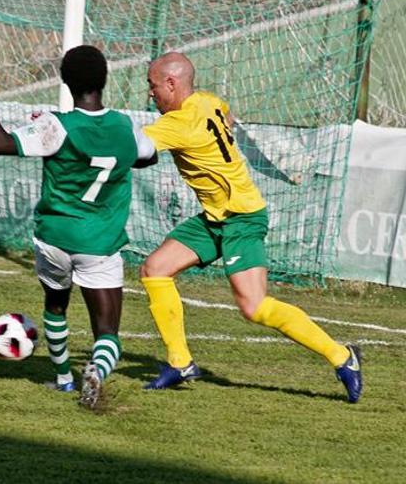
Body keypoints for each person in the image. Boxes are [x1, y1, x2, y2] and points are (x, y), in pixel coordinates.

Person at [139, 52, 361, 402]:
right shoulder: (207, 101)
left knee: (254, 307)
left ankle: (342, 356)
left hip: (241, 217)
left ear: (171, 83)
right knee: (155, 269)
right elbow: (226, 115)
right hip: (216, 216)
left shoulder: (178, 123)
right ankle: (180, 363)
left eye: (153, 86)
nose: (150, 94)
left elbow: (135, 148)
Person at [0, 46, 157, 409]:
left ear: (65, 82)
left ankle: (65, 379)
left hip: (54, 238)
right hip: (99, 242)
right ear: (104, 80)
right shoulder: (124, 126)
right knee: (107, 332)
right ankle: (96, 373)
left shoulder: (55, 125)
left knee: (56, 306)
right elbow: (150, 156)